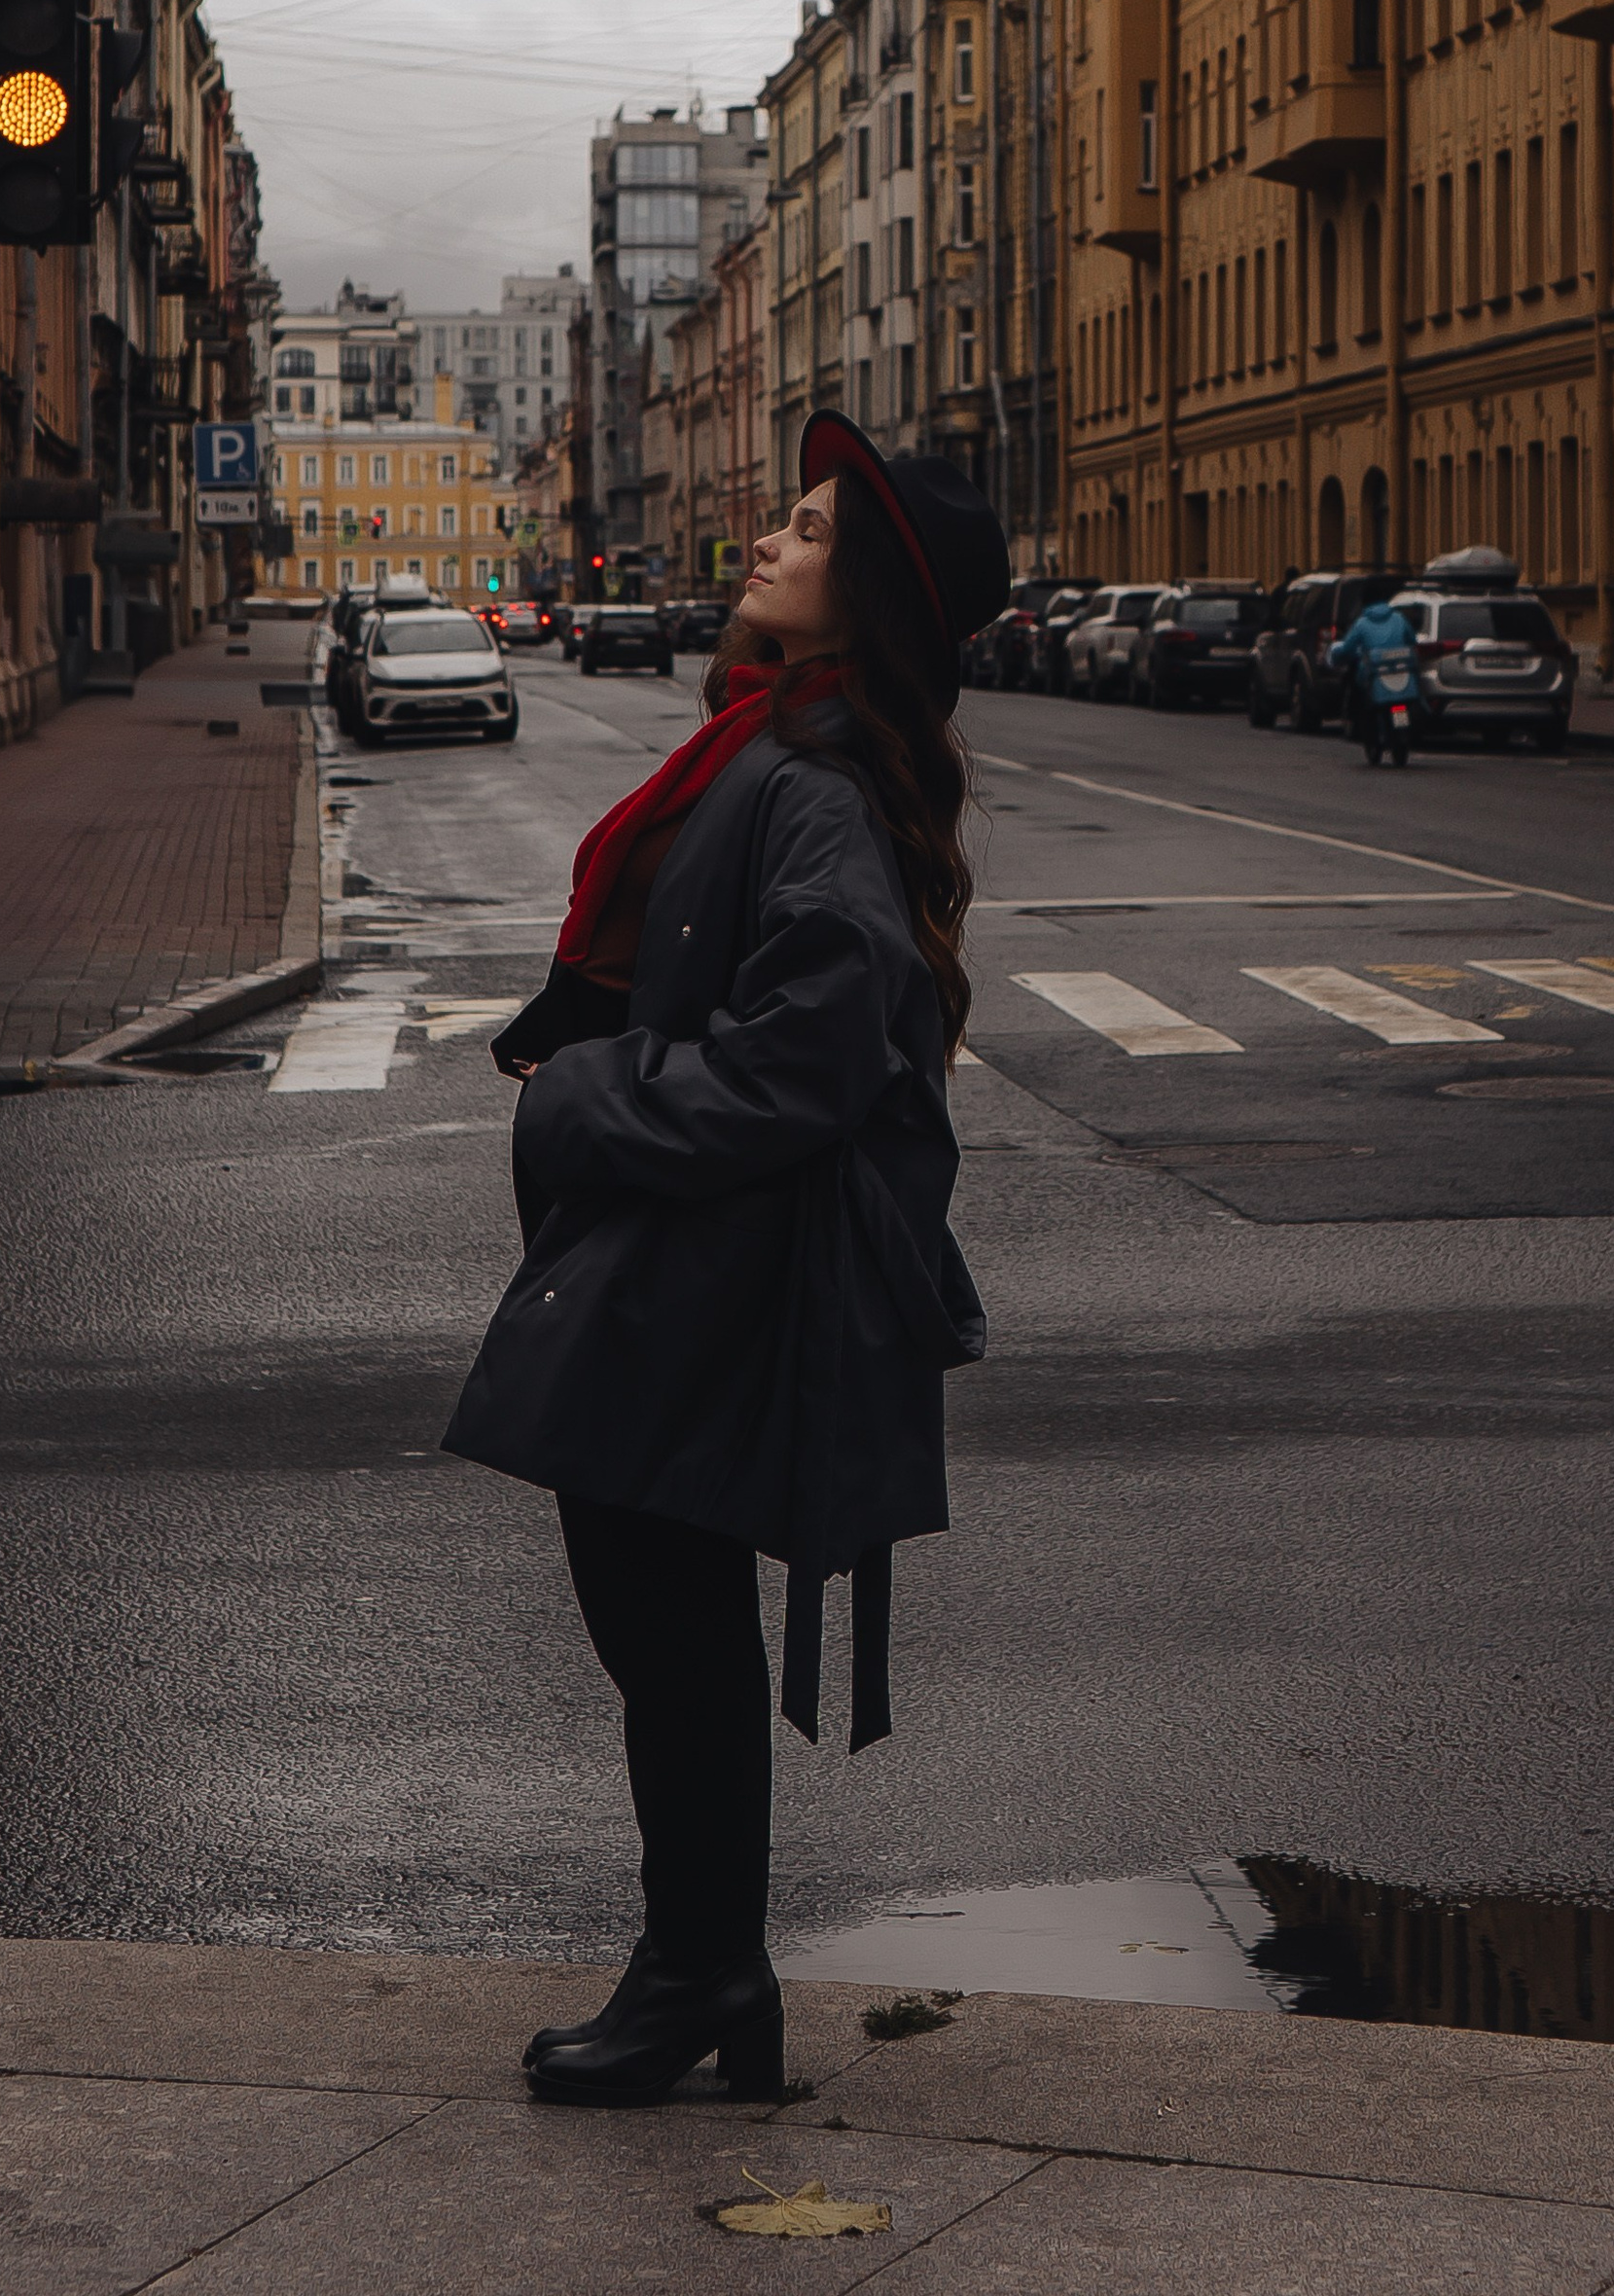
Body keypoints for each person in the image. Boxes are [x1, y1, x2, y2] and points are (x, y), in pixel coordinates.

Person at [443, 414, 1009, 2110]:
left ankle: (700, 1968)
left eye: (813, 532)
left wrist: (589, 1097)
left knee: (667, 1622)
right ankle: (706, 1970)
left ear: (872, 608)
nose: (768, 538)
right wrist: (600, 1027)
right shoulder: (768, 746)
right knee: (661, 1617)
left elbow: (809, 1062)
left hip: (723, 1265)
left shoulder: (815, 779)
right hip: (697, 1252)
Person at [1330, 586, 1418, 766]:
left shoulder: (1362, 623)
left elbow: (1347, 648)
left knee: (1365, 705)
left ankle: (1373, 739)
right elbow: (1412, 640)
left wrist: (1339, 656)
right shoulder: (1399, 618)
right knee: (1405, 704)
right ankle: (1401, 739)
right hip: (1402, 674)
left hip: (1373, 676)